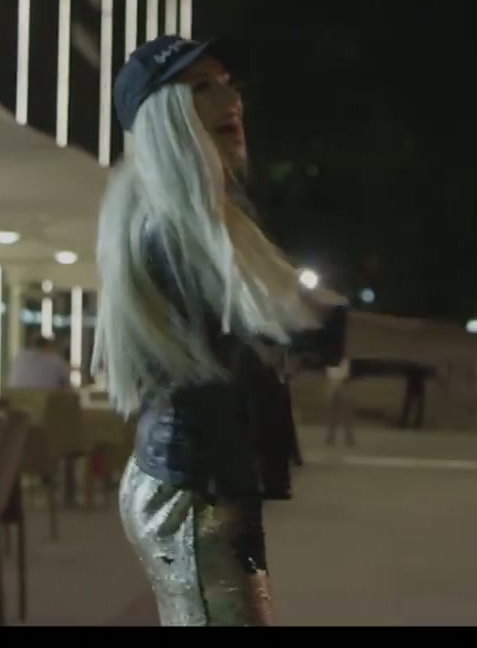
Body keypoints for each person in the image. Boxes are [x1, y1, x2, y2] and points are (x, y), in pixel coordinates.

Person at [93, 35, 342, 626]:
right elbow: (303, 325)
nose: (231, 99)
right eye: (201, 87)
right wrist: (476, 349)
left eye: (227, 83)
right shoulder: (173, 227)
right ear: (164, 119)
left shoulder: (200, 218)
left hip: (197, 484)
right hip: (191, 494)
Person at [7, 335, 72, 390]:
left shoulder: (19, 357)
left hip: (16, 398)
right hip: (44, 399)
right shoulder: (54, 360)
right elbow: (66, 384)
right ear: (48, 347)